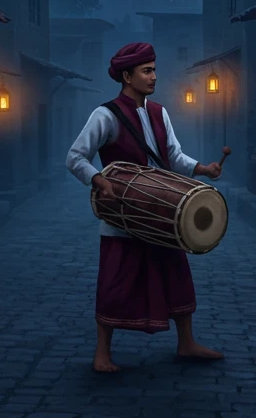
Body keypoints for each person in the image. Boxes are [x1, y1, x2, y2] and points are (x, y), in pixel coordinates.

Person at [66, 41, 225, 373]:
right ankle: (102, 353)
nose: (154, 77)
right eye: (147, 71)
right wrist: (98, 180)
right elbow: (76, 157)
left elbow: (174, 156)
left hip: (163, 211)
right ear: (127, 76)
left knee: (177, 275)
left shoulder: (159, 112)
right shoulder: (105, 115)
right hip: (123, 213)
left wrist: (203, 169)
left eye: (154, 70)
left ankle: (186, 343)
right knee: (115, 281)